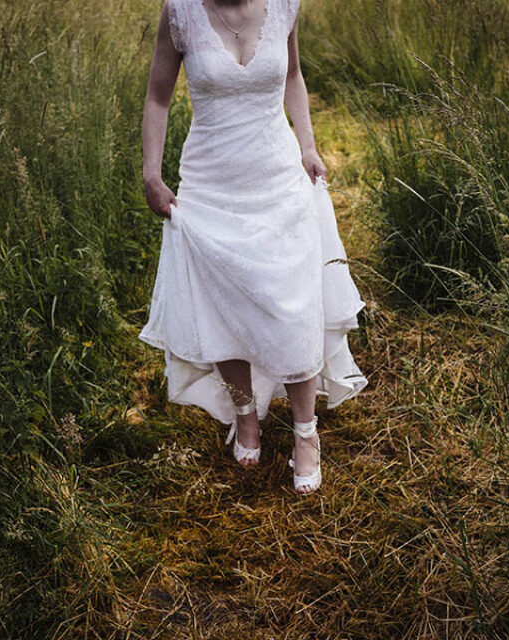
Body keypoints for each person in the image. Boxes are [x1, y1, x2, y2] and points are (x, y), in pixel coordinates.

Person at [139, 0, 367, 495]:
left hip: (276, 176)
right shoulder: (180, 10)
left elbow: (293, 78)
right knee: (225, 301)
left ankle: (305, 431)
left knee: (292, 299)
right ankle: (246, 415)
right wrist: (150, 173)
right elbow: (158, 97)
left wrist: (307, 145)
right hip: (210, 184)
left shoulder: (285, 4)